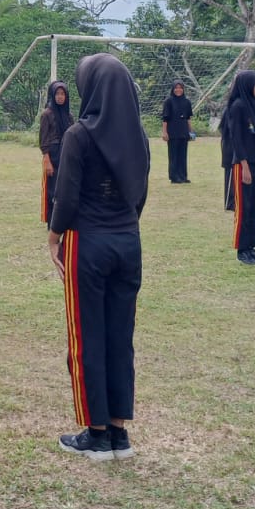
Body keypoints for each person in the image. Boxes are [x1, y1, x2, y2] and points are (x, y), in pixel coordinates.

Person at [48, 54, 149, 461]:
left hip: (87, 244)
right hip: (128, 242)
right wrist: (124, 224)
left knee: (87, 336)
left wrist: (54, 237)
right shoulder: (138, 136)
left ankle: (96, 434)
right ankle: (119, 433)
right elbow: (140, 193)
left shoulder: (79, 134)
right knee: (120, 338)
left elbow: (66, 194)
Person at [222, 71, 255, 264]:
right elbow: (237, 139)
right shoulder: (238, 106)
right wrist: (244, 165)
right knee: (245, 207)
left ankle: (251, 246)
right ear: (247, 85)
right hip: (244, 164)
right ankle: (241, 250)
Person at [39, 81, 72, 224]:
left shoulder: (69, 116)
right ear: (52, 95)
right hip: (53, 155)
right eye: (57, 94)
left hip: (66, 154)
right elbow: (43, 139)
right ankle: (52, 222)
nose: (60, 97)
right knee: (53, 190)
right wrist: (47, 160)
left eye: (62, 94)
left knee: (65, 188)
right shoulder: (47, 114)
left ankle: (63, 220)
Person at [161, 81, 193, 184]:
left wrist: (191, 131)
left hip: (183, 132)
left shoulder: (187, 102)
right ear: (173, 89)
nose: (178, 90)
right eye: (176, 88)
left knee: (183, 155)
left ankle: (183, 176)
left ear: (183, 89)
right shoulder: (168, 101)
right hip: (173, 132)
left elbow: (188, 118)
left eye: (180, 88)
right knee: (173, 155)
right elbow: (165, 119)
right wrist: (164, 132)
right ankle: (174, 177)